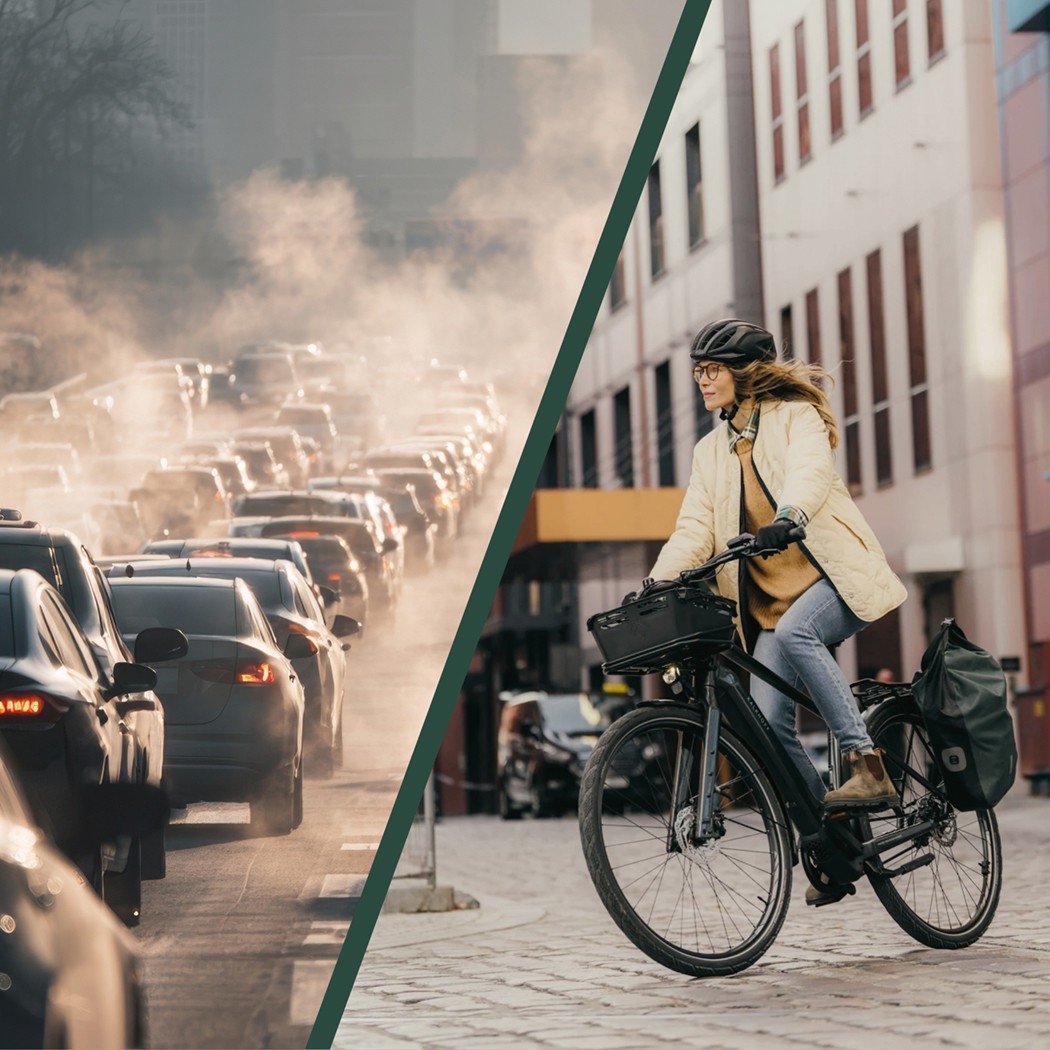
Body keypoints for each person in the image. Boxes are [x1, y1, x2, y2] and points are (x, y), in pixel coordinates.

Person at [646, 318, 908, 905]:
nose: (702, 380)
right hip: (768, 607)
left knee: (798, 631)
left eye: (712, 369)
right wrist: (655, 582)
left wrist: (788, 515)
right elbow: (694, 528)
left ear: (744, 372)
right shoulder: (710, 451)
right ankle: (832, 841)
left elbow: (811, 473)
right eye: (697, 371)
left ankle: (867, 760)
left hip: (831, 579)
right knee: (766, 727)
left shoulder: (796, 418)